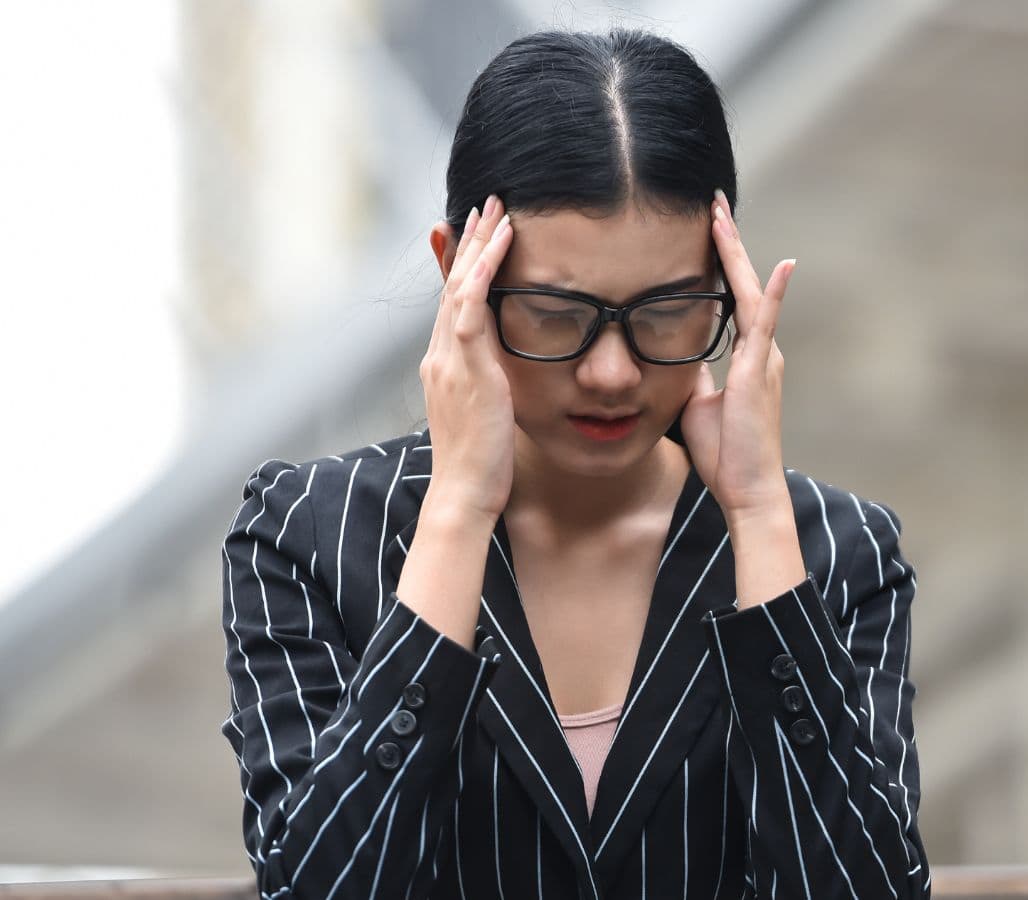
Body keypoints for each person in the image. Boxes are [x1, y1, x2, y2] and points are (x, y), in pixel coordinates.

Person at [219, 27, 929, 900]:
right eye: (558, 313)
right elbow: (321, 887)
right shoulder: (311, 538)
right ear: (460, 276)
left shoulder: (834, 551)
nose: (612, 372)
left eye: (668, 312)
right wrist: (457, 515)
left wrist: (755, 516)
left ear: (728, 286)